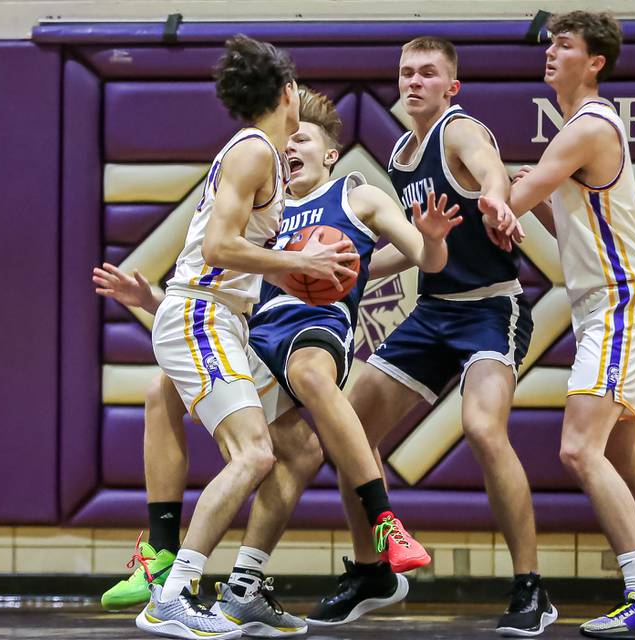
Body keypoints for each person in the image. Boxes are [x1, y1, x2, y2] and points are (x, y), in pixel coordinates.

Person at [95, 86, 463, 636]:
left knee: (307, 378)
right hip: (251, 334)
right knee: (179, 400)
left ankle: (382, 518)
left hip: (314, 330)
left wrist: (433, 243)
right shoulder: (270, 208)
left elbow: (424, 258)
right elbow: (228, 279)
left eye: (303, 141)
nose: (289, 148)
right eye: (286, 140)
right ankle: (209, 573)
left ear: (331, 154)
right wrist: (153, 301)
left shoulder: (355, 196)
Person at [307, 36, 559, 636]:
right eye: (406, 73)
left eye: (428, 73)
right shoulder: (400, 152)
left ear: (452, 86)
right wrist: (354, 272)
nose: (414, 81)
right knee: (348, 429)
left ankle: (531, 586)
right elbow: (420, 248)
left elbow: (490, 170)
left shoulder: (459, 129)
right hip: (434, 311)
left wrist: (498, 202)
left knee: (481, 427)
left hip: (490, 310)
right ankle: (372, 569)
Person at [129, 35, 360, 640]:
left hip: (224, 319)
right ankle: (173, 595)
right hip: (201, 315)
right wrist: (298, 267)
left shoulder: (260, 153)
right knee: (253, 453)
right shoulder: (256, 149)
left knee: (301, 448)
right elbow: (216, 248)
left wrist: (300, 261)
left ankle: (244, 589)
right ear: (287, 92)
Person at [495, 10, 635, 638]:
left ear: (595, 62)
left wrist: (477, 186)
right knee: (625, 458)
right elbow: (546, 216)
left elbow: (512, 200)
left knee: (577, 449)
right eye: (550, 44)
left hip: (618, 303)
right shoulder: (576, 130)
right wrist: (511, 201)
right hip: (613, 301)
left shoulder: (588, 126)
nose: (550, 53)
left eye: (565, 45)